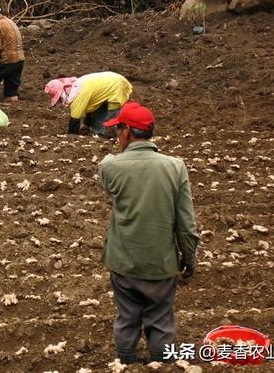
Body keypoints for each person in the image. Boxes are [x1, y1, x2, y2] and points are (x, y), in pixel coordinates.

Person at [98, 101, 199, 365]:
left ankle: (126, 364)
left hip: (124, 262)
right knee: (161, 319)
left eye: (118, 129)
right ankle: (161, 364)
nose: (117, 134)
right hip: (161, 264)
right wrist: (189, 258)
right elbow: (186, 223)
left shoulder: (111, 167)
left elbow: (107, 168)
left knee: (127, 318)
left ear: (127, 131)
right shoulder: (176, 167)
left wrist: (116, 154)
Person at [44, 71, 133, 136]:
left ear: (62, 92)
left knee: (112, 119)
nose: (60, 101)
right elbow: (91, 107)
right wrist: (87, 125)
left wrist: (71, 137)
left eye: (59, 98)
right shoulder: (77, 85)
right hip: (111, 81)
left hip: (116, 86)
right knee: (97, 110)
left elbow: (74, 121)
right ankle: (99, 133)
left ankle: (116, 136)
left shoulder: (77, 97)